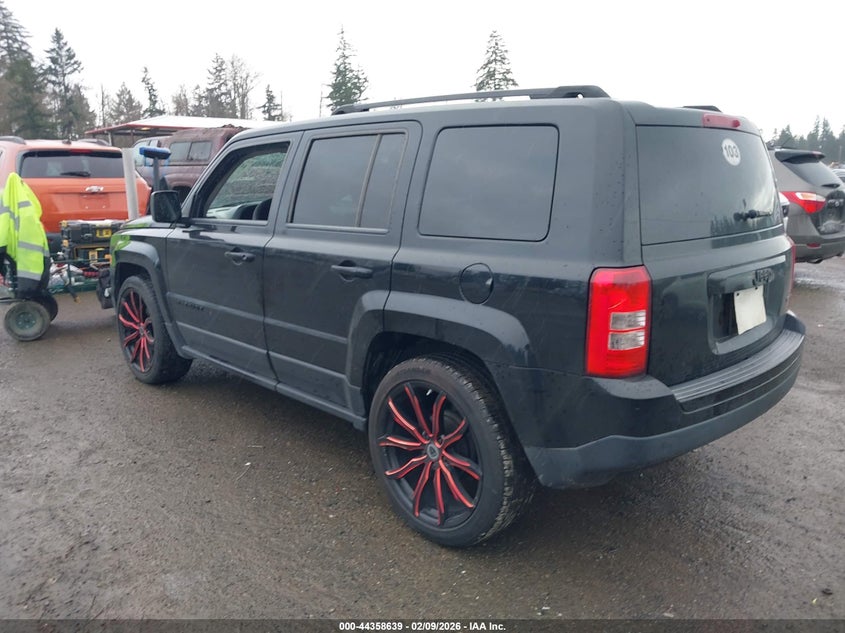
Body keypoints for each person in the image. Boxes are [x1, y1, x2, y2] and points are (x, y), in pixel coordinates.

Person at [0, 172, 50, 299]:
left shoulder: (6, 202)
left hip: (17, 252)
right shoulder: (28, 205)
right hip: (33, 257)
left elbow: (3, 235)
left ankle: (26, 294)